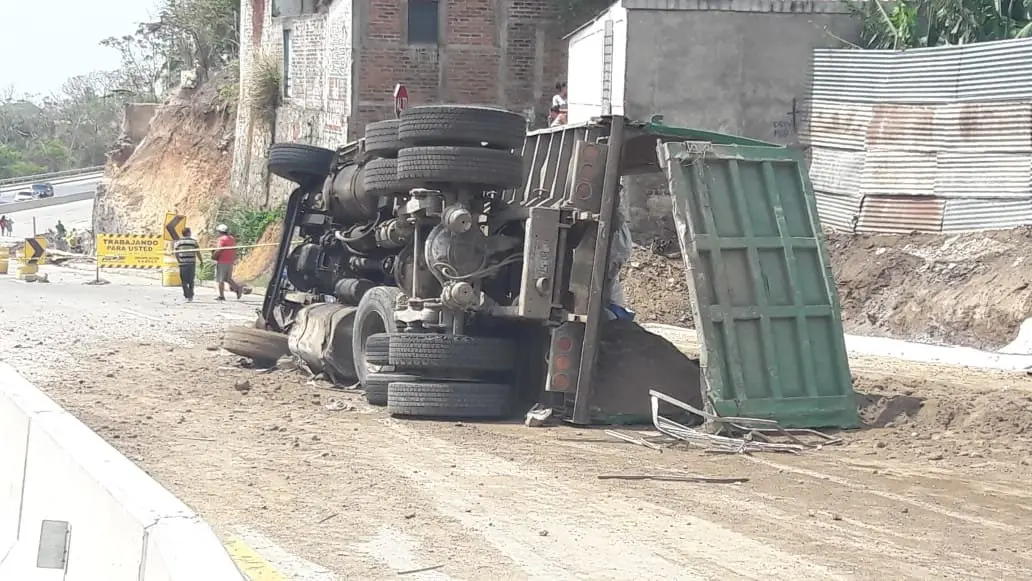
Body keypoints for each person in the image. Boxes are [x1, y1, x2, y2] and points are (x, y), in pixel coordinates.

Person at [212, 223, 243, 301]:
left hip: (222, 261)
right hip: (230, 261)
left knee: (220, 279)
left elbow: (219, 249)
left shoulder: (222, 239)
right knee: (227, 278)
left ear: (220, 231)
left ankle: (221, 296)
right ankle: (238, 289)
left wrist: (214, 256)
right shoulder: (231, 238)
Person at [173, 227, 202, 302]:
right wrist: (201, 261)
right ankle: (191, 295)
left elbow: (176, 252)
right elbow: (198, 252)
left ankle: (186, 294)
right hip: (192, 263)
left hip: (183, 263)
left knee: (184, 281)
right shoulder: (193, 242)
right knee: (191, 280)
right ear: (189, 233)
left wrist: (179, 260)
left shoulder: (178, 242)